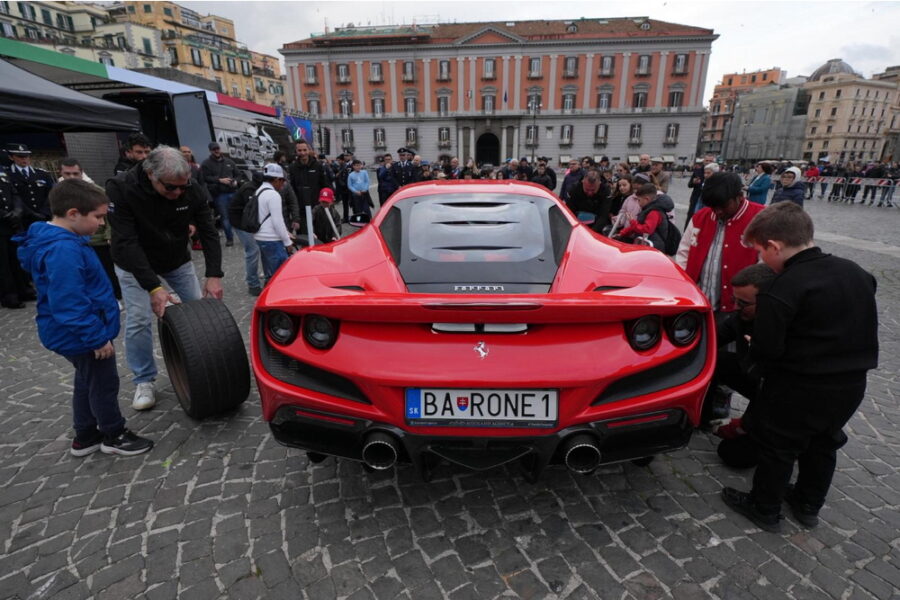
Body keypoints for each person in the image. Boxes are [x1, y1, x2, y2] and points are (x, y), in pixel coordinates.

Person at [721, 202, 878, 532]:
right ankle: (808, 504)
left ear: (775, 246)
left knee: (780, 446)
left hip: (800, 385)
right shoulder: (855, 272)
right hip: (851, 383)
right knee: (824, 442)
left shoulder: (784, 287)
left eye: (761, 252)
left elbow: (768, 350)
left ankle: (764, 507)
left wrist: (754, 348)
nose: (762, 260)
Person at [15, 179, 153, 456]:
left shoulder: (64, 241)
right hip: (82, 336)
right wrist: (96, 338)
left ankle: (86, 435)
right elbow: (69, 302)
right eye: (98, 217)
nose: (102, 224)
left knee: (86, 380)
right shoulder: (63, 250)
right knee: (103, 384)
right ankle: (114, 434)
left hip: (73, 333)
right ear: (74, 214)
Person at [107, 146, 224, 411]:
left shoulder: (189, 186)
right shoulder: (121, 187)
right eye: (172, 188)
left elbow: (208, 230)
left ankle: (207, 368)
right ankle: (144, 379)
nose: (178, 193)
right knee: (138, 319)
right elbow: (127, 241)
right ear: (150, 174)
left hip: (175, 258)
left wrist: (214, 274)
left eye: (183, 188)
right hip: (133, 262)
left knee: (199, 312)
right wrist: (154, 287)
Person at [711, 263, 777, 469]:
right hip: (756, 380)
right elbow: (714, 339)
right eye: (734, 300)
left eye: (743, 302)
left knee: (733, 455)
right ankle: (706, 414)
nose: (736, 307)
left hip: (782, 401)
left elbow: (774, 390)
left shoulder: (779, 330)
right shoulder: (741, 316)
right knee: (715, 361)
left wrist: (743, 425)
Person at [676, 172, 764, 315]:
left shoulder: (760, 218)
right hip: (698, 300)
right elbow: (684, 252)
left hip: (736, 307)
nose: (718, 211)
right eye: (713, 206)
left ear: (739, 197)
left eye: (723, 206)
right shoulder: (700, 217)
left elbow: (765, 264)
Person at [58, 159, 121, 301]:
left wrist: (108, 234)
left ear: (81, 173)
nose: (72, 177)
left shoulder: (96, 191)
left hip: (98, 239)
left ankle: (114, 295)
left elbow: (109, 213)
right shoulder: (59, 193)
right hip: (74, 241)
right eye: (67, 174)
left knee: (106, 270)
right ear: (61, 173)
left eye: (75, 173)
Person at [254, 163, 295, 282]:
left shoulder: (259, 191)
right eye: (282, 181)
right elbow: (278, 221)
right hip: (272, 239)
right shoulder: (273, 195)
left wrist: (286, 232)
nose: (283, 184)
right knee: (281, 276)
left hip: (260, 237)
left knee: (269, 274)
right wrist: (287, 242)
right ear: (277, 179)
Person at [1, 165, 31, 309]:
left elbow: (14, 194)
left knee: (16, 259)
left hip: (12, 224)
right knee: (3, 264)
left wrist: (18, 210)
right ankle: (9, 295)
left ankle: (23, 290)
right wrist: (4, 215)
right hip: (2, 222)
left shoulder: (3, 173)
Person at [229, 171, 264, 296]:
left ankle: (261, 277)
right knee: (252, 250)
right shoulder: (249, 190)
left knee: (258, 248)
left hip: (246, 221)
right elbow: (251, 211)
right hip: (241, 222)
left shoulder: (256, 188)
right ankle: (253, 284)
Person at [613, 183, 675, 252]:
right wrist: (622, 233)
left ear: (646, 199)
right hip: (647, 243)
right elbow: (638, 225)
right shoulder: (648, 209)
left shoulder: (654, 212)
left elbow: (647, 230)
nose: (638, 203)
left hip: (654, 247)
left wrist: (632, 222)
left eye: (639, 200)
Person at [201, 142, 241, 247]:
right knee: (225, 217)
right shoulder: (206, 164)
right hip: (220, 195)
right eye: (214, 149)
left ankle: (243, 236)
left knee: (239, 214)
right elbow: (205, 178)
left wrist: (236, 181)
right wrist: (220, 180)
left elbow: (238, 175)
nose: (216, 151)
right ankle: (229, 238)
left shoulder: (229, 161)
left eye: (217, 148)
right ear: (210, 151)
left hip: (233, 192)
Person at [6, 143, 54, 229]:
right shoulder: (8, 175)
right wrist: (30, 213)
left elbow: (51, 193)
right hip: (23, 219)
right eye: (20, 156)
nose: (24, 159)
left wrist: (45, 211)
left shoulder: (42, 174)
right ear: (11, 157)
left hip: (45, 216)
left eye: (26, 156)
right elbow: (13, 197)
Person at [566, 168, 612, 233]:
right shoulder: (574, 189)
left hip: (597, 222)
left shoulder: (606, 191)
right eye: (587, 189)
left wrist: (592, 232)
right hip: (578, 221)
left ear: (599, 183)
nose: (590, 193)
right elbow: (569, 212)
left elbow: (603, 216)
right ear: (582, 182)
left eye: (593, 190)